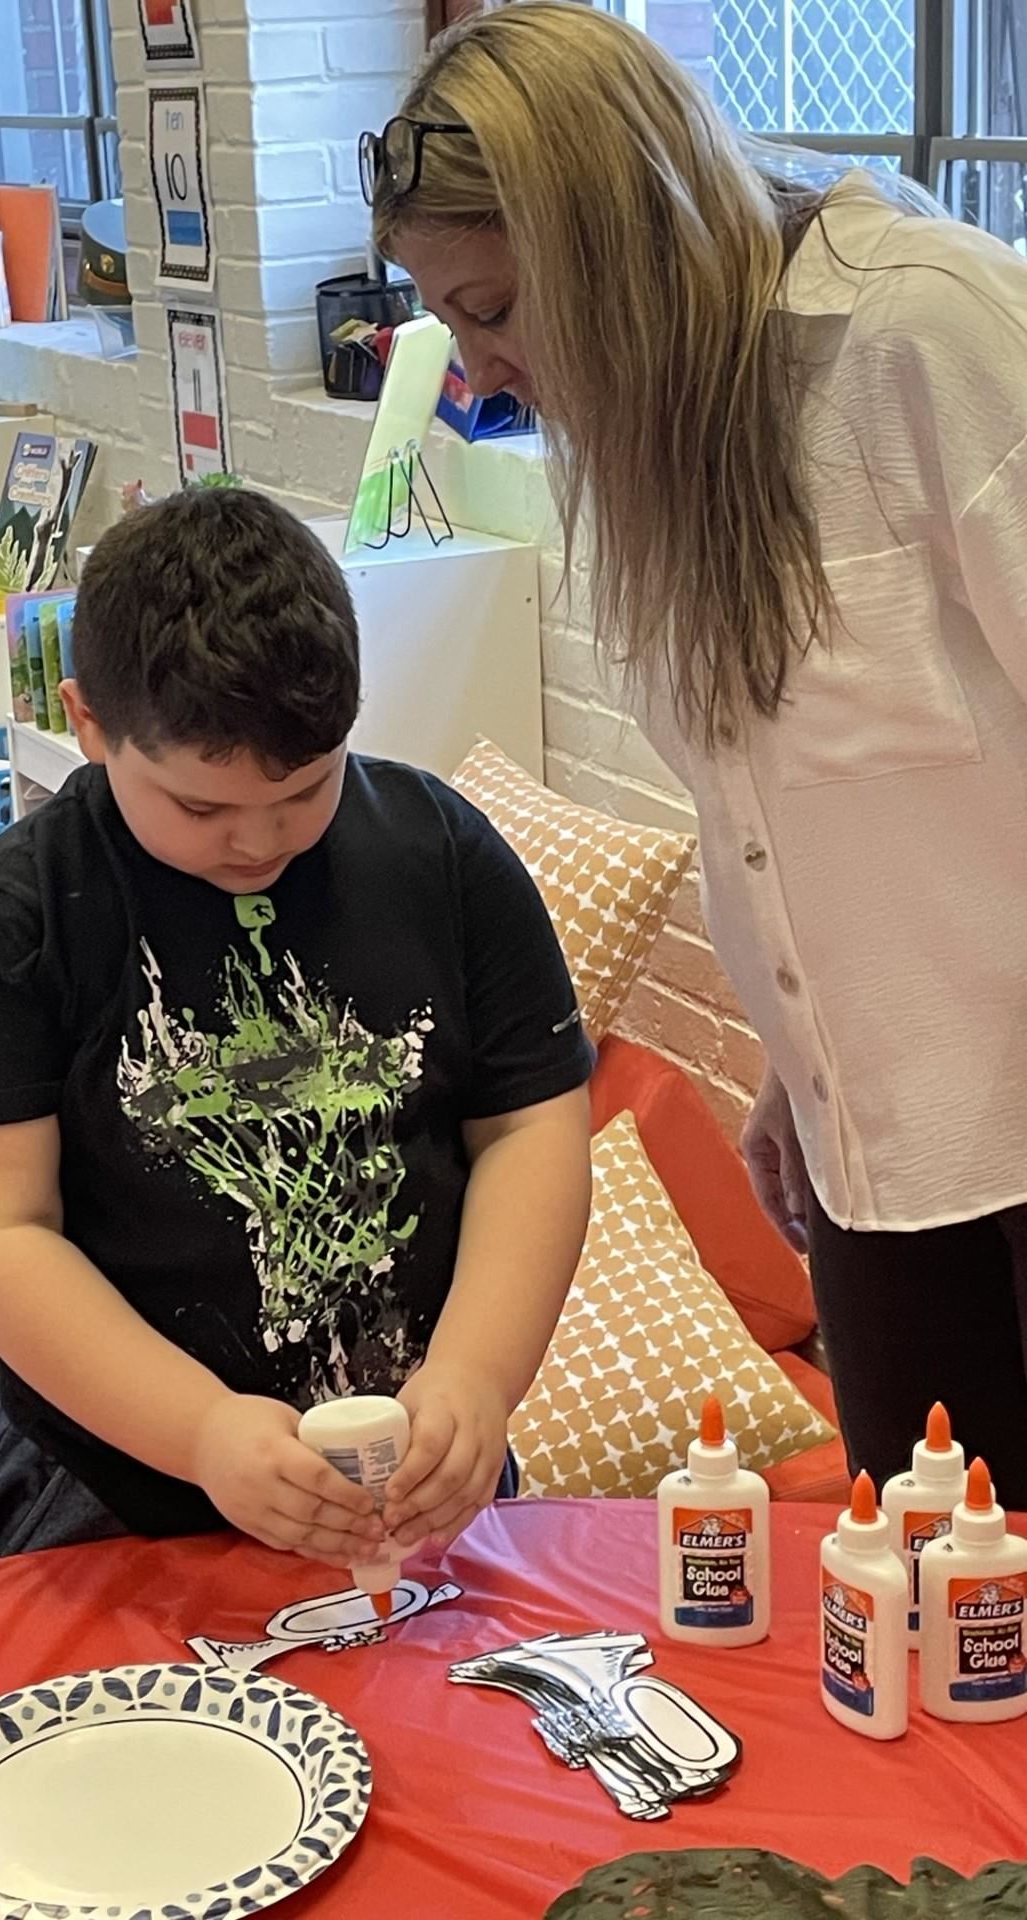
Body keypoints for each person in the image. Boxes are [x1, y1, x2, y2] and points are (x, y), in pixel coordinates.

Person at [367, 0, 1027, 1502]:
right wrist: (809, 1064)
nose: (475, 370)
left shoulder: (927, 334)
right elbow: (779, 814)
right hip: (883, 1156)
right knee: (927, 1611)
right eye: (450, 320)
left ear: (615, 246)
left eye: (494, 308)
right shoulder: (655, 425)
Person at [0, 487, 594, 1565]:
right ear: (87, 724)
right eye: (201, 809)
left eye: (307, 789)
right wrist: (202, 1430)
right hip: (114, 1479)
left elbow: (531, 1130)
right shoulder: (16, 919)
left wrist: (476, 1376)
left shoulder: (441, 855)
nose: (258, 841)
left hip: (412, 1471)